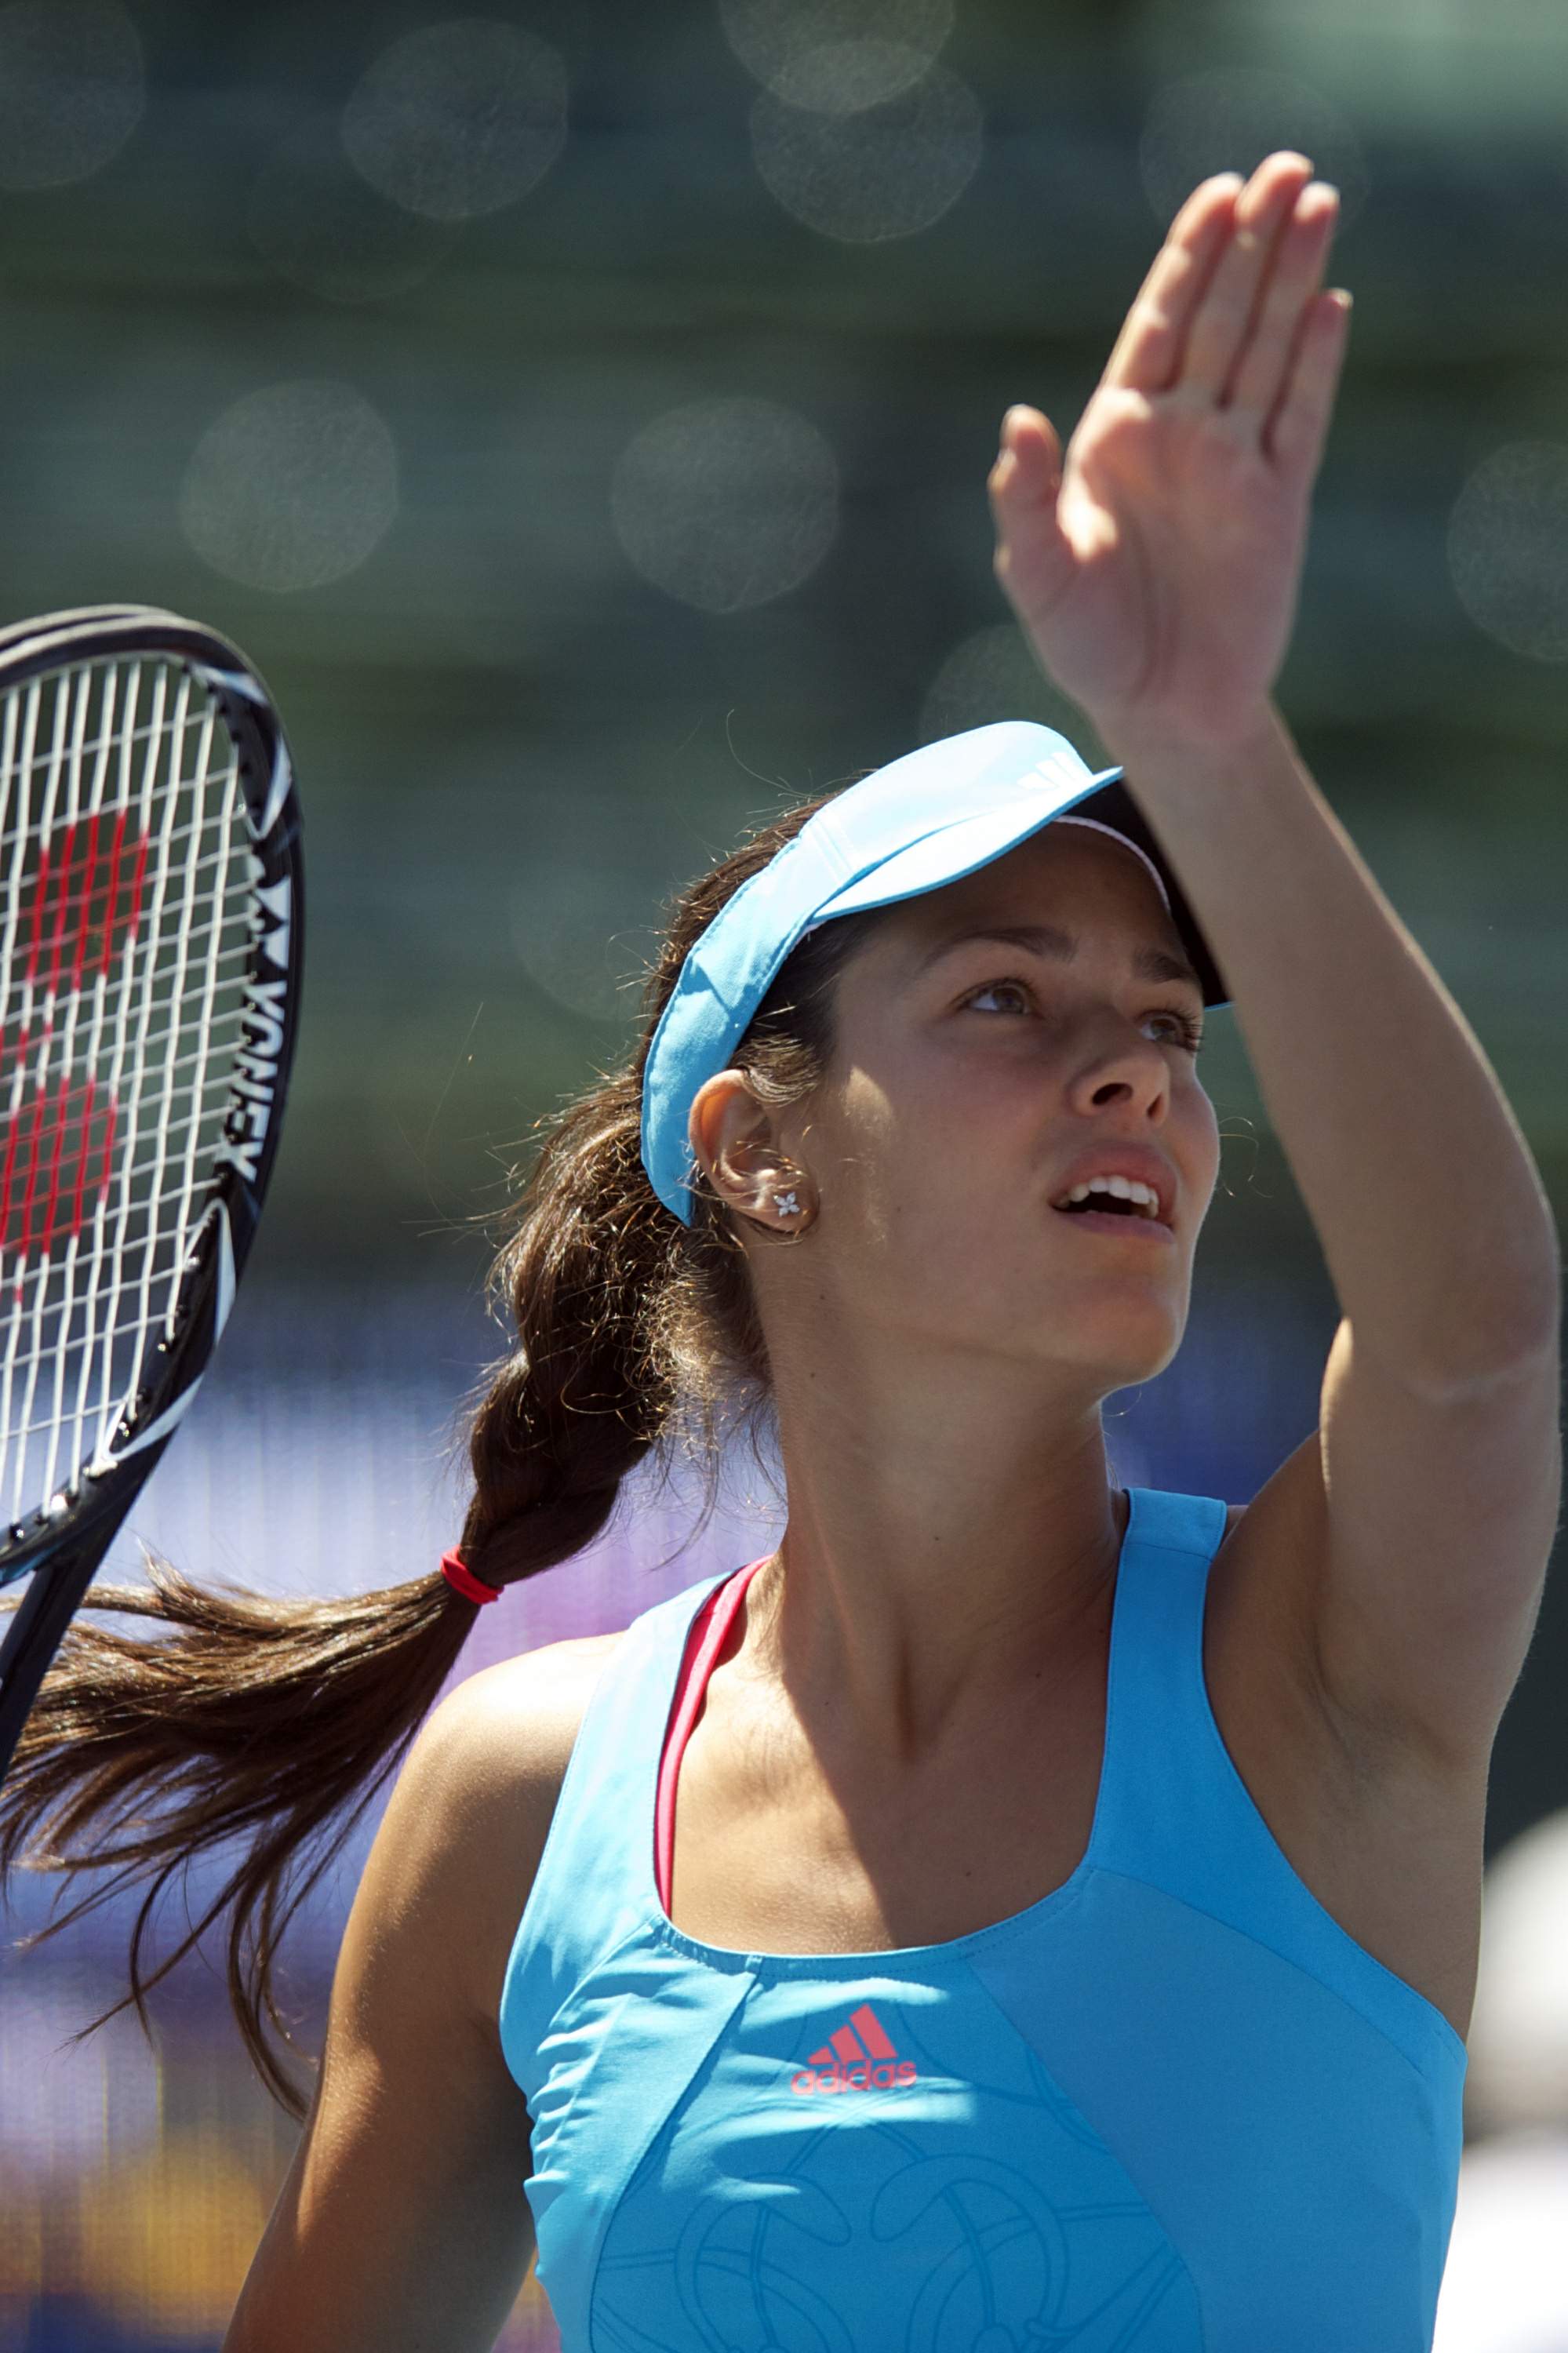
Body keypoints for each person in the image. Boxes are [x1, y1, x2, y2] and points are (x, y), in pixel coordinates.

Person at [2, 151, 1559, 2353]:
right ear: (758, 1150)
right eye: (1011, 1002)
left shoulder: (1319, 1665)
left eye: (1163, 1031)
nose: (1135, 1076)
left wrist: (1212, 739)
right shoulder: (519, 1808)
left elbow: (1476, 1337)